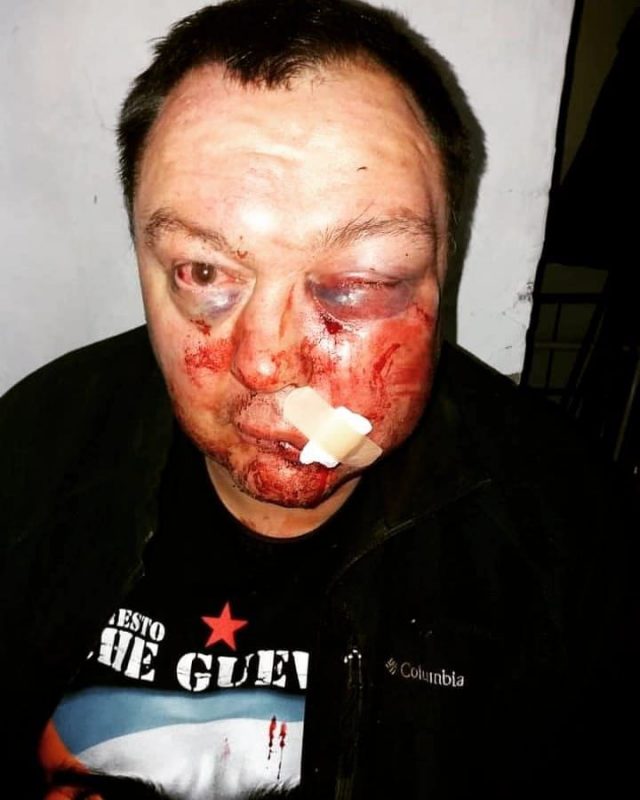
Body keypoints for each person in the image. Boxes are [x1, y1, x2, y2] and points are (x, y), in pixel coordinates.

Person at [0, 1, 637, 798]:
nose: (267, 363)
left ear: (446, 264)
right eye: (204, 271)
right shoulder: (30, 455)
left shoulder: (565, 536)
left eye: (360, 282)